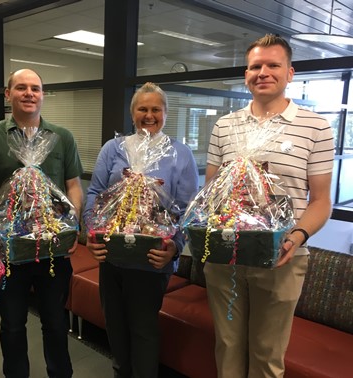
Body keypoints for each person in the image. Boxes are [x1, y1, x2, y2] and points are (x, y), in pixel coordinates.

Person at [204, 34, 335, 378]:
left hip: (283, 258)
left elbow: (321, 201)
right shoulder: (224, 126)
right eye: (255, 66)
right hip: (226, 256)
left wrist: (296, 236)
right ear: (246, 74)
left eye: (273, 65)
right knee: (228, 347)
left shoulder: (316, 126)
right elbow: (211, 193)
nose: (263, 72)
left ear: (290, 73)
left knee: (267, 357)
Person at [0, 68, 84, 378]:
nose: (29, 93)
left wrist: (72, 225)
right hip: (8, 251)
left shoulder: (61, 137)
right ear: (8, 94)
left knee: (56, 322)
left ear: (43, 95)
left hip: (52, 250)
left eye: (35, 88)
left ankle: (61, 373)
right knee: (12, 323)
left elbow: (73, 184)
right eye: (21, 87)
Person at [83, 82, 199, 378]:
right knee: (116, 328)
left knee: (144, 331)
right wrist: (92, 233)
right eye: (142, 109)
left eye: (155, 109)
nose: (149, 115)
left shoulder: (179, 153)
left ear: (165, 113)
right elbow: (95, 192)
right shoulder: (114, 148)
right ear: (132, 113)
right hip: (112, 256)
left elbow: (187, 210)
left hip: (152, 261)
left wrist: (174, 246)